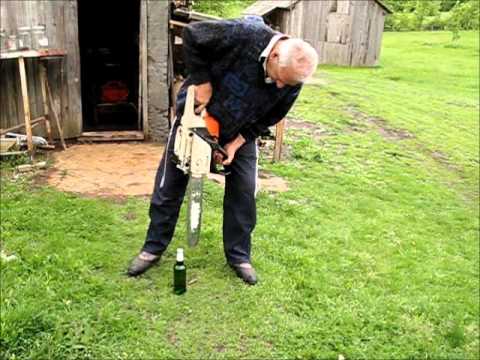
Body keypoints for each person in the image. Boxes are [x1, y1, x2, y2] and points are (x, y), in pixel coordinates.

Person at [127, 16, 318, 285]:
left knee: (243, 193)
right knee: (169, 185)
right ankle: (152, 248)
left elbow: (270, 117)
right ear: (274, 55)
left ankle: (239, 257)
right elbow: (193, 36)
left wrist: (235, 144)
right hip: (196, 118)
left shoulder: (291, 80)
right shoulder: (245, 34)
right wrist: (203, 82)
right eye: (280, 80)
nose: (280, 87)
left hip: (240, 130)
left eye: (288, 85)